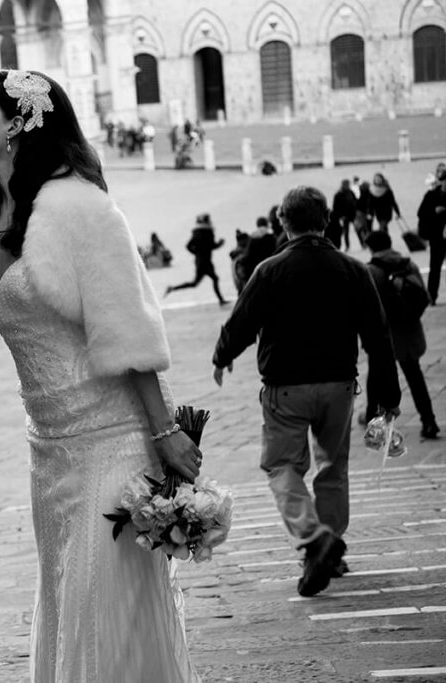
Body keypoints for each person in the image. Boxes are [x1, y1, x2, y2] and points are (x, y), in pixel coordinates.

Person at [0, 68, 198, 682]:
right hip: (46, 450)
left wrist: (165, 433)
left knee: (105, 602)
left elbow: (128, 330)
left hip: (113, 439)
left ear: (21, 124)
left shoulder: (82, 206)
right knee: (64, 597)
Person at [212, 186, 401, 598]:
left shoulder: (269, 270)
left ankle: (314, 539)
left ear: (284, 221)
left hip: (286, 389)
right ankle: (330, 545)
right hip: (337, 386)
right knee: (333, 467)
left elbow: (242, 320)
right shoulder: (354, 270)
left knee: (282, 466)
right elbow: (378, 338)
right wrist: (387, 398)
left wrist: (222, 355)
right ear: (328, 218)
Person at [363, 231, 438, 439]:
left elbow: (370, 308)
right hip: (410, 331)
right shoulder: (409, 264)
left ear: (371, 248)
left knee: (376, 378)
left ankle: (373, 423)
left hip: (386, 335)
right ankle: (429, 420)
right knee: (415, 377)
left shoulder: (371, 270)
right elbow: (425, 296)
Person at [164, 213, 228, 304]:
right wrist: (220, 243)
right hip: (205, 261)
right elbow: (211, 246)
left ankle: (172, 288)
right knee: (212, 279)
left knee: (197, 283)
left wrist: (196, 253)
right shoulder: (208, 232)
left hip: (200, 261)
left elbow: (188, 246)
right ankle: (221, 300)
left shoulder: (196, 233)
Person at [417, 165, 446, 305]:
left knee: (435, 268)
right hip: (438, 238)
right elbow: (421, 213)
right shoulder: (431, 196)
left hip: (440, 237)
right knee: (435, 268)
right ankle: (432, 296)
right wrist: (435, 212)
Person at [330, 179, 357, 251]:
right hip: (343, 216)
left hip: (352, 215)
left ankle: (363, 244)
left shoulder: (351, 193)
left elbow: (354, 203)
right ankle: (346, 246)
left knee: (358, 229)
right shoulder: (338, 194)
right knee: (345, 232)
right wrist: (340, 216)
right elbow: (335, 207)